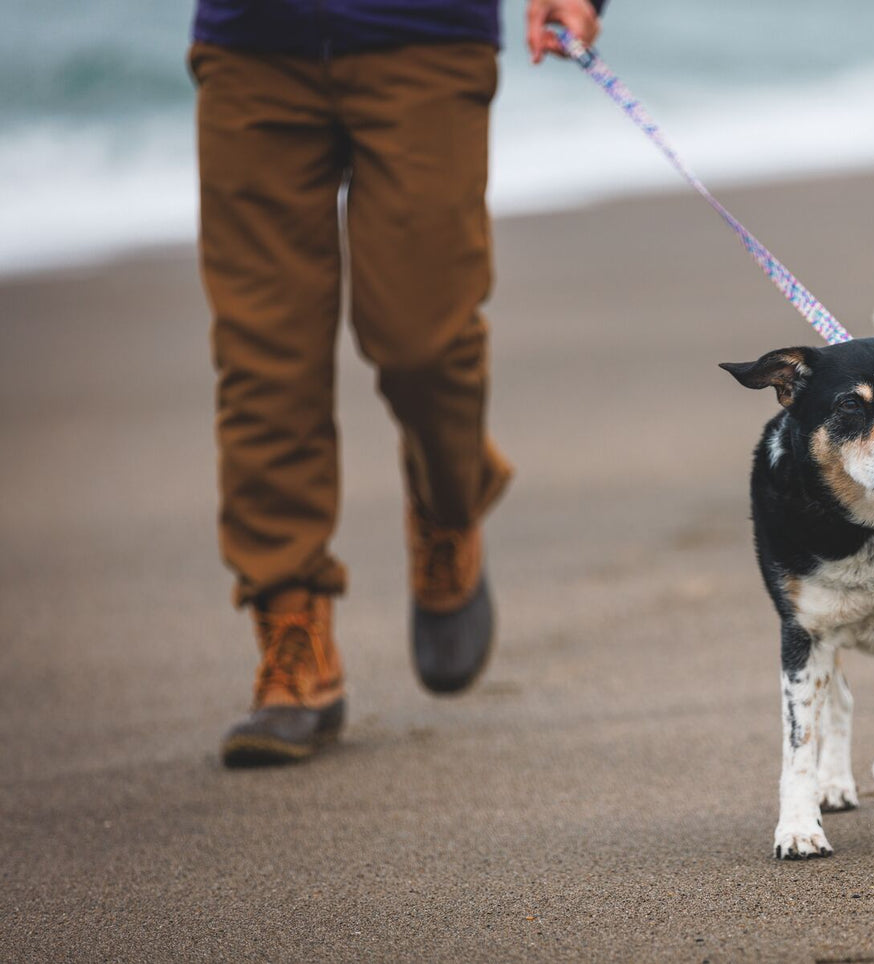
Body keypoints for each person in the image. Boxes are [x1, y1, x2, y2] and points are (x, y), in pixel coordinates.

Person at [188, 0, 604, 767]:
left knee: (424, 343)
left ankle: (449, 501)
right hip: (251, 47)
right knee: (262, 361)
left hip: (424, 37)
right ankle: (292, 632)